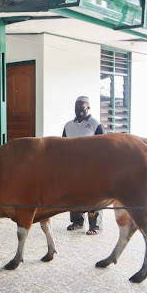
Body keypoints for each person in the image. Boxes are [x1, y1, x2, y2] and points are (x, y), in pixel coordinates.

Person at [63, 95, 105, 235]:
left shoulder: (95, 124)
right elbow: (63, 145)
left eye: (81, 107)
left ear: (88, 107)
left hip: (91, 167)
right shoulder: (68, 125)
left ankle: (95, 226)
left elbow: (103, 145)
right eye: (76, 107)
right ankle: (77, 221)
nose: (79, 110)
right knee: (75, 194)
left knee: (93, 196)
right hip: (73, 167)